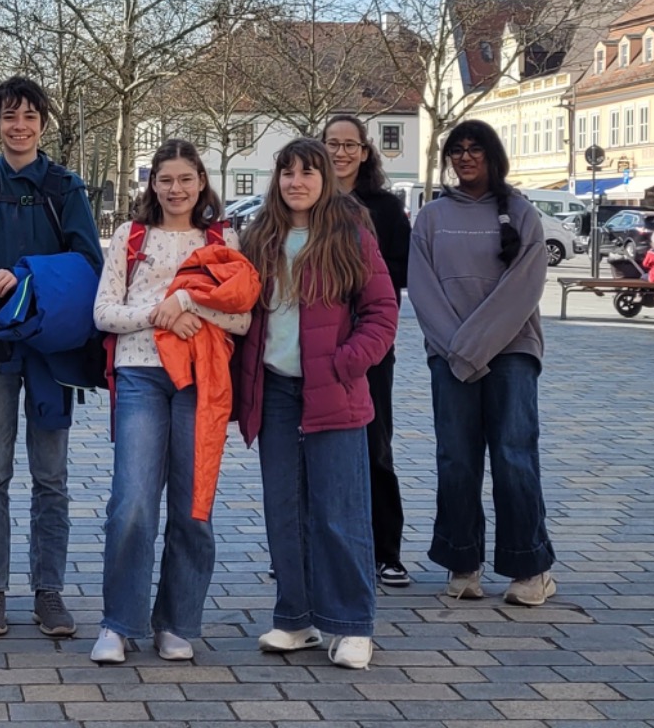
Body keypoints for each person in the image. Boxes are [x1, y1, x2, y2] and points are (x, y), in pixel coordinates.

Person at [0, 76, 102, 638]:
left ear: (44, 122)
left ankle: (48, 591)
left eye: (30, 115)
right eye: (10, 115)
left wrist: (28, 272)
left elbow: (88, 261)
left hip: (51, 350)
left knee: (51, 477)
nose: (21, 125)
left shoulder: (65, 187)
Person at [233, 138, 398, 671]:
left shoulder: (349, 234)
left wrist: (345, 363)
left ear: (325, 178)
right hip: (276, 392)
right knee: (285, 511)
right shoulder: (258, 236)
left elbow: (382, 311)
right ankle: (296, 618)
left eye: (307, 172)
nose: (296, 181)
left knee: (339, 512)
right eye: (287, 172)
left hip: (334, 390)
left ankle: (353, 626)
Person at [90, 139, 253, 665]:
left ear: (201, 183)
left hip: (201, 381)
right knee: (133, 502)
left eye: (186, 179)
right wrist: (163, 312)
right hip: (140, 374)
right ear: (152, 185)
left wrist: (192, 306)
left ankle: (178, 621)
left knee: (192, 505)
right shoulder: (130, 237)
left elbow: (242, 317)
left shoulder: (222, 239)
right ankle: (119, 622)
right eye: (166, 180)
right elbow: (104, 313)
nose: (176, 189)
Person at [409, 120, 556, 609]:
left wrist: (472, 347)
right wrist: (457, 348)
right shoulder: (431, 217)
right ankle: (462, 561)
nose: (466, 157)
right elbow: (423, 290)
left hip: (511, 353)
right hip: (449, 356)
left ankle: (529, 567)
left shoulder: (522, 213)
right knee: (457, 460)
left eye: (476, 149)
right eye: (458, 150)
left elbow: (522, 291)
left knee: (514, 457)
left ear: (493, 156)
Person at [321, 114, 413, 589]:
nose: (341, 153)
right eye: (332, 144)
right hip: (311, 347)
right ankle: (311, 549)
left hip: (369, 343)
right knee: (311, 450)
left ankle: (386, 552)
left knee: (375, 446)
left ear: (364, 151)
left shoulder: (384, 208)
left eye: (350, 145)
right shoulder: (304, 200)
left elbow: (400, 269)